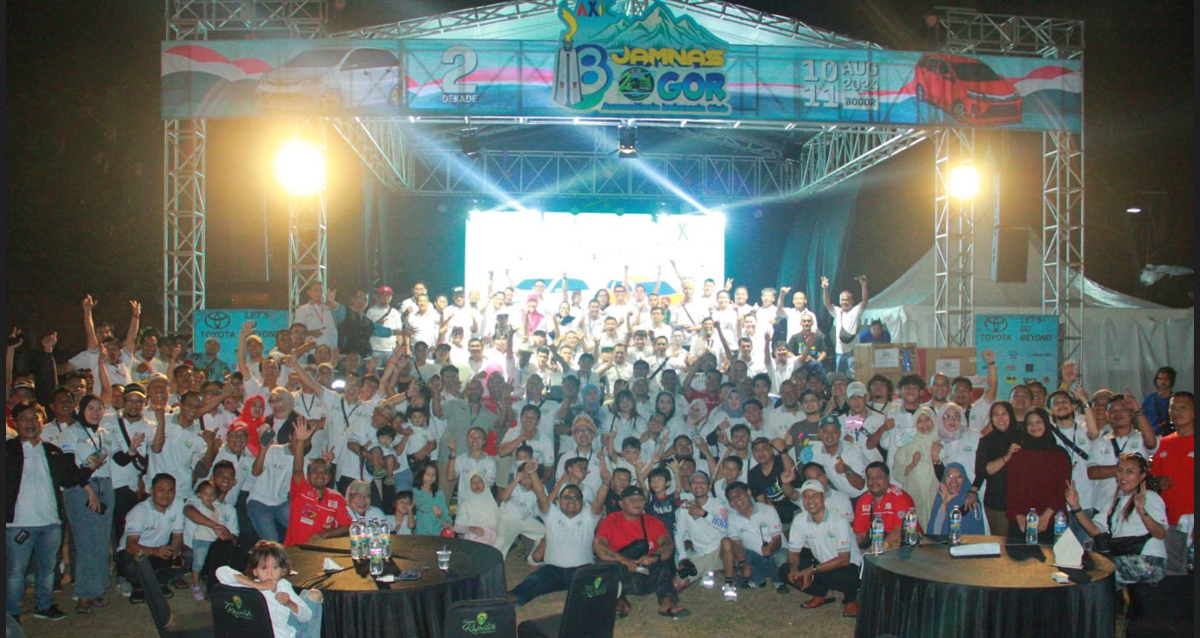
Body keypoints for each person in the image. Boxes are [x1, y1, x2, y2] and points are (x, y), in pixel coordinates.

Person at [6, 401, 91, 622]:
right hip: (17, 523)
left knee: (48, 569)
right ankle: (11, 612)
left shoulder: (52, 451)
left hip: (51, 522)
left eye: (35, 418)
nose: (30, 423)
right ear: (15, 423)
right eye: (24, 419)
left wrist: (90, 467)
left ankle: (43, 606)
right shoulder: (8, 451)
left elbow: (68, 478)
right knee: (15, 573)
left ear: (42, 421)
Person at [1066, 454, 1169, 587]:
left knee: (1099, 573)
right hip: (1123, 557)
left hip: (1149, 561)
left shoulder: (1149, 497)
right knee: (1086, 566)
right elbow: (1094, 530)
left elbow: (1161, 534)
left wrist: (1142, 511)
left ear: (1142, 476)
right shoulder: (1115, 501)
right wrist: (1075, 506)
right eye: (1120, 471)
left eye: (1130, 471)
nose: (1123, 475)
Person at [508, 476, 606, 607]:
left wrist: (606, 483)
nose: (571, 501)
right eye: (567, 497)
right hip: (552, 570)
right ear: (559, 500)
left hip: (582, 570)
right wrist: (532, 474)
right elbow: (541, 495)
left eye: (576, 498)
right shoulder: (551, 513)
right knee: (530, 583)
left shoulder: (589, 516)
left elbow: (599, 501)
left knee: (600, 592)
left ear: (582, 502)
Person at [594, 486, 687, 619]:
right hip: (620, 575)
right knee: (605, 567)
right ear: (621, 504)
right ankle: (619, 601)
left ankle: (668, 602)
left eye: (640, 500)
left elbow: (668, 544)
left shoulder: (654, 522)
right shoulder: (610, 520)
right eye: (631, 500)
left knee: (661, 565)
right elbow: (599, 546)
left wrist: (654, 557)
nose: (636, 503)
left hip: (645, 576)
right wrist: (623, 560)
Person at [780, 480, 862, 618]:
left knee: (843, 575)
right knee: (785, 571)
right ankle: (824, 594)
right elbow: (793, 553)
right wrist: (794, 570)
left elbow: (844, 559)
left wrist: (811, 570)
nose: (810, 500)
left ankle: (851, 598)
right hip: (822, 565)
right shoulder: (799, 520)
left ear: (823, 497)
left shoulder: (839, 520)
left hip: (846, 566)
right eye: (806, 496)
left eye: (815, 496)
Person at [216, 541, 324, 638]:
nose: (270, 573)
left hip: (284, 633)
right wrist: (257, 585)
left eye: (275, 567)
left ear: (283, 570)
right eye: (263, 568)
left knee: (315, 595)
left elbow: (307, 617)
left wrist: (289, 603)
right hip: (257, 633)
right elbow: (221, 572)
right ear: (255, 571)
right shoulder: (249, 587)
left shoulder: (283, 586)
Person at [117, 474, 190, 605]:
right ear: (151, 491)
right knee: (132, 561)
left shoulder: (178, 504)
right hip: (137, 551)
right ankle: (136, 585)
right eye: (161, 490)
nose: (166, 495)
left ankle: (161, 581)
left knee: (187, 555)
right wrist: (155, 551)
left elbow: (177, 536)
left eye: (170, 490)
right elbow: (130, 546)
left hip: (160, 550)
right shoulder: (140, 511)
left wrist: (175, 553)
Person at [1004, 408, 1073, 542]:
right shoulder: (1018, 453)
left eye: (1038, 422)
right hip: (1021, 520)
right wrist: (1018, 515)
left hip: (1052, 519)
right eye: (1029, 423)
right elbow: (1011, 487)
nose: (1034, 426)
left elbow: (1063, 488)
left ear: (1046, 423)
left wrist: (1047, 515)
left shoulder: (1060, 454)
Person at [282, 419, 349, 546]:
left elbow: (346, 525)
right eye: (315, 471)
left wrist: (325, 534)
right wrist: (300, 442)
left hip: (321, 554)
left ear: (329, 477)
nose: (319, 475)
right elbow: (297, 470)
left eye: (324, 472)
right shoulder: (300, 491)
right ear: (307, 476)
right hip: (295, 551)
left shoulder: (337, 498)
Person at [1151, 391, 1193, 576]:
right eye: (1173, 407)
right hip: (1171, 521)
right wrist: (1156, 481)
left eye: (1183, 407)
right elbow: (1152, 479)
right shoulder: (1164, 443)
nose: (1177, 412)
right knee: (1174, 574)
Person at [722, 481, 787, 592]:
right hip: (756, 560)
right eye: (731, 498)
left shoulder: (767, 510)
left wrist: (771, 548)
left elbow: (777, 539)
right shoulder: (731, 518)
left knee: (780, 557)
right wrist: (743, 564)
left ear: (748, 492)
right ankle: (758, 580)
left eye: (738, 494)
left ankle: (779, 583)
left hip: (774, 555)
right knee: (737, 555)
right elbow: (736, 544)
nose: (736, 499)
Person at [971, 402, 1020, 537]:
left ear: (1011, 415)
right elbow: (982, 471)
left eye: (1004, 414)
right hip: (997, 503)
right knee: (1000, 544)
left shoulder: (1023, 438)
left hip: (1021, 503)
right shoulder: (987, 441)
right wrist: (1007, 457)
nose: (1000, 418)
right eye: (996, 415)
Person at [673, 472, 728, 591]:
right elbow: (679, 533)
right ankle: (710, 571)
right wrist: (682, 556)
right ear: (689, 486)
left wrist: (704, 513)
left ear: (709, 487)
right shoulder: (685, 507)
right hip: (700, 554)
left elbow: (724, 526)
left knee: (727, 543)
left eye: (702, 482)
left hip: (719, 551)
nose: (699, 485)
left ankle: (725, 577)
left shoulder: (718, 504)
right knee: (677, 585)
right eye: (695, 482)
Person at [891, 407, 940, 530]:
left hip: (936, 492)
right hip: (915, 492)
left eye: (927, 419)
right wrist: (912, 463)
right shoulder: (908, 444)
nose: (924, 424)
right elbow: (896, 471)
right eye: (919, 421)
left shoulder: (940, 442)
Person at [852, 462, 919, 550]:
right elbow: (860, 533)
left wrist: (875, 551)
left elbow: (899, 532)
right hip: (878, 543)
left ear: (888, 479)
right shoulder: (863, 500)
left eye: (878, 477)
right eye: (870, 478)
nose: (874, 481)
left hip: (906, 545)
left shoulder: (900, 497)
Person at [821, 275, 868, 376]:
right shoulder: (837, 311)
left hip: (852, 351)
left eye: (847, 300)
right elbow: (827, 303)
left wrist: (863, 285)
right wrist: (825, 289)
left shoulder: (855, 311)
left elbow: (864, 302)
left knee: (854, 375)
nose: (844, 302)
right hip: (839, 352)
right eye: (842, 300)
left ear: (852, 301)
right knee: (839, 376)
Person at [927, 463, 985, 537]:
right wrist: (944, 505)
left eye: (959, 476)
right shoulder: (940, 499)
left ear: (964, 479)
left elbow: (977, 535)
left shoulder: (971, 501)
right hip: (943, 543)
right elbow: (934, 534)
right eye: (950, 476)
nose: (954, 480)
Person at [454, 472, 499, 545]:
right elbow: (457, 528)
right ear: (469, 485)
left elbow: (499, 525)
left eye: (480, 481)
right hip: (472, 540)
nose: (477, 484)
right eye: (473, 482)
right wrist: (472, 529)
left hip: (491, 541)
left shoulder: (492, 503)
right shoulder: (466, 504)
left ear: (484, 483)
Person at [412, 462, 453, 536]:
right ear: (421, 474)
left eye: (433, 475)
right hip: (422, 531)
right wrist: (433, 506)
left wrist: (447, 521)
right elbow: (420, 505)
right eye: (427, 474)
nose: (430, 477)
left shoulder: (439, 493)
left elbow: (444, 510)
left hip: (437, 530)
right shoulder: (416, 491)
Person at [1142, 367, 1177, 435]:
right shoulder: (1150, 399)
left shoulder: (1176, 399)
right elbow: (1143, 418)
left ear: (1171, 381)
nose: (1162, 382)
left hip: (1171, 435)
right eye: (1160, 379)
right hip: (1152, 435)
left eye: (1166, 379)